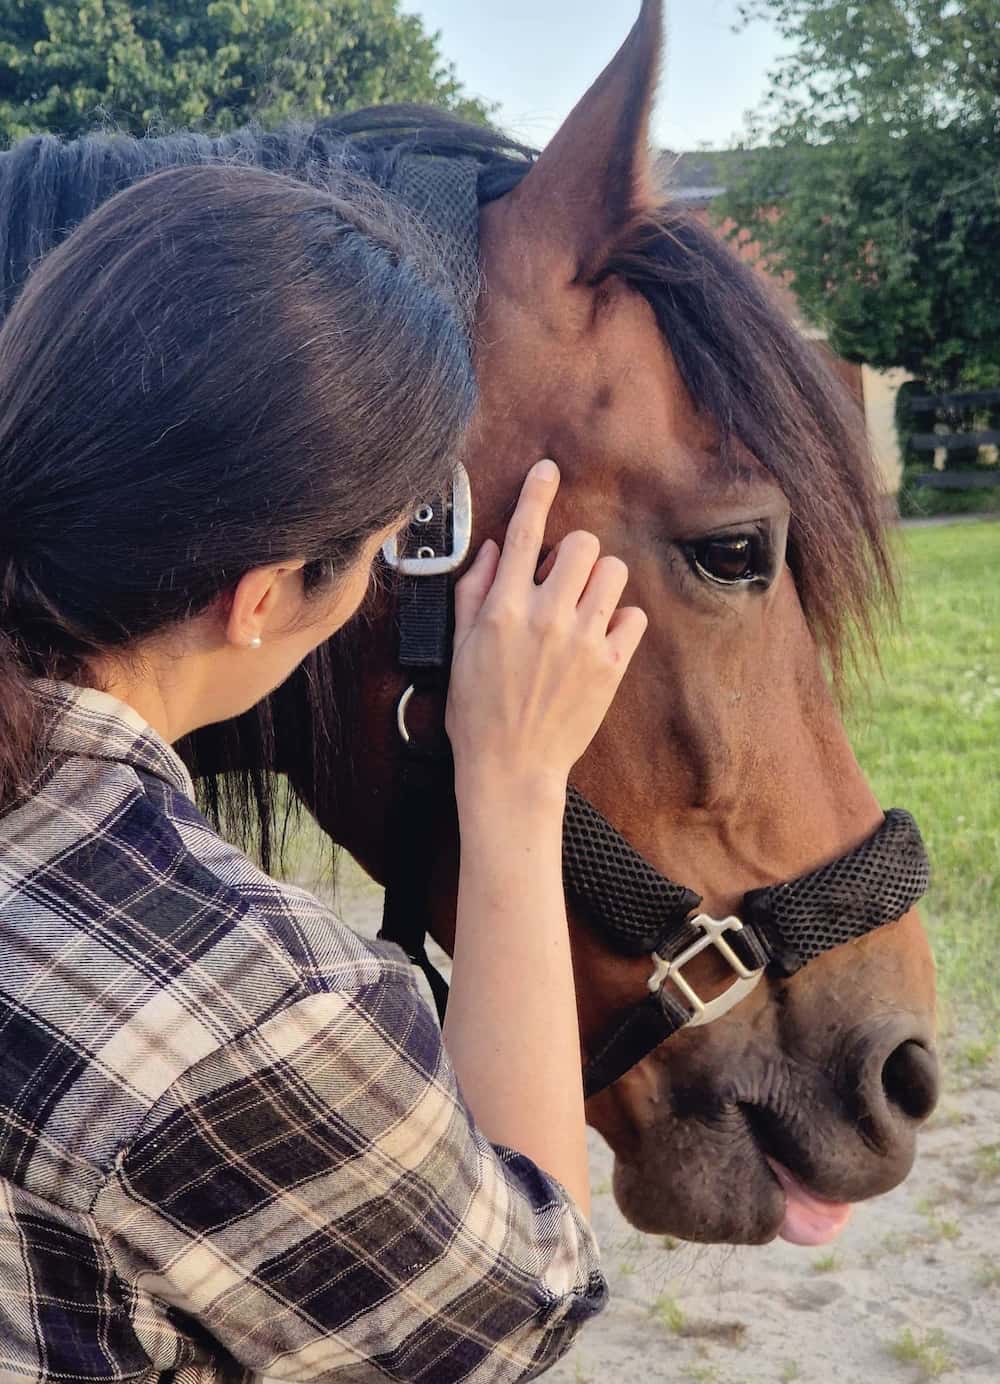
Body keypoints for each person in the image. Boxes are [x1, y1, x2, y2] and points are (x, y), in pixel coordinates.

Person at [0, 163, 646, 1383]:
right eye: (382, 543)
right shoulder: (246, 1004)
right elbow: (515, 1306)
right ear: (258, 600)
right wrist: (513, 788)